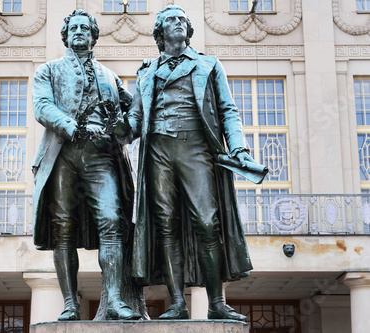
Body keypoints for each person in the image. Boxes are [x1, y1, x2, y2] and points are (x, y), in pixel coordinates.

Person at [127, 5, 254, 321]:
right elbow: (134, 119)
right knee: (166, 225)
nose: (178, 23)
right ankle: (177, 304)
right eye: (171, 20)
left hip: (196, 147)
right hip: (158, 151)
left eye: (182, 19)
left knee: (207, 222)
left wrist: (237, 147)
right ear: (160, 32)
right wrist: (115, 127)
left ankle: (216, 303)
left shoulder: (208, 65)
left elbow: (227, 110)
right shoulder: (146, 71)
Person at [31, 9, 141, 321]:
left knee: (111, 222)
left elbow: (134, 110)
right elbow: (41, 106)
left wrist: (124, 127)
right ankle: (70, 303)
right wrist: (68, 124)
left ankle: (116, 302)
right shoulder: (48, 70)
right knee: (63, 229)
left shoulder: (109, 75)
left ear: (93, 35)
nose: (79, 31)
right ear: (65, 35)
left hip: (100, 157)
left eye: (85, 27)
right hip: (63, 155)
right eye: (74, 27)